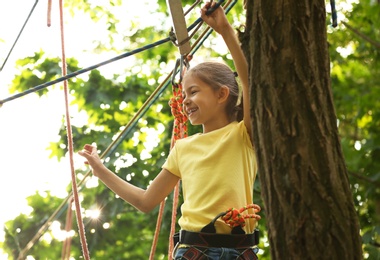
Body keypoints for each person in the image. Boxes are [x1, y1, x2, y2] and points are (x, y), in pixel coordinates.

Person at [78, 2, 260, 259]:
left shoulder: (243, 134)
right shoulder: (183, 148)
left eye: (193, 92)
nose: (185, 100)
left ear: (222, 94)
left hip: (241, 251)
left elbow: (249, 80)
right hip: (194, 251)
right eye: (184, 93)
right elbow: (145, 201)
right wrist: (99, 168)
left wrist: (225, 30)